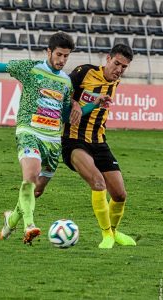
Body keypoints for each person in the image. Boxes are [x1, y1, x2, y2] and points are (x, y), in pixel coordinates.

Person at [0, 32, 109, 245]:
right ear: (49, 52)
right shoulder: (30, 69)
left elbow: (67, 115)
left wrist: (93, 104)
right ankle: (29, 226)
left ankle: (11, 219)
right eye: (59, 54)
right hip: (29, 131)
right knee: (30, 177)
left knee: (37, 190)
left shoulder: (66, 82)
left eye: (66, 56)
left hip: (52, 141)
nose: (62, 60)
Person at [61, 44, 137, 249]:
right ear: (107, 58)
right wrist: (75, 103)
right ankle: (106, 235)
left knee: (120, 194)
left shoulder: (115, 81)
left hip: (99, 141)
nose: (119, 69)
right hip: (74, 140)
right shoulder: (84, 72)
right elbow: (61, 89)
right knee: (98, 182)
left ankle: (114, 230)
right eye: (117, 63)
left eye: (124, 67)